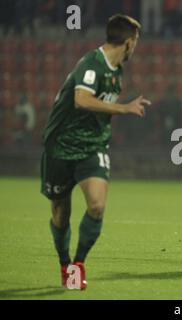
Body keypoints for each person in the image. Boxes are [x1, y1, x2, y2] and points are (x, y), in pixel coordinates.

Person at [40, 14, 150, 289]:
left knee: (97, 206)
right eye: (135, 41)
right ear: (128, 42)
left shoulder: (117, 72)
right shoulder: (92, 64)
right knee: (60, 213)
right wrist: (124, 108)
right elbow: (81, 99)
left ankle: (78, 264)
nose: (135, 48)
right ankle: (64, 263)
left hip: (93, 146)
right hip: (60, 146)